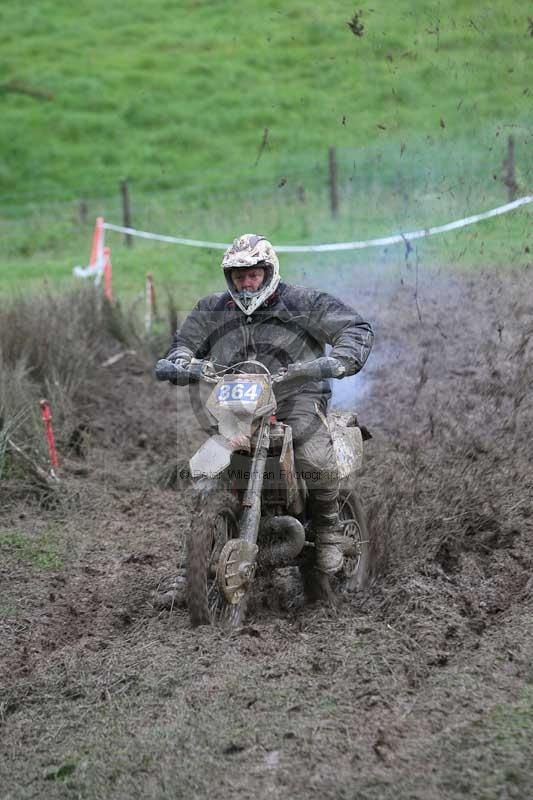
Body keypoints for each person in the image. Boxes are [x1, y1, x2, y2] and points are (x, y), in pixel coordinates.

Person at [163, 234, 374, 575]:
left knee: (312, 457)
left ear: (268, 271)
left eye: (253, 275)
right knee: (206, 472)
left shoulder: (303, 302)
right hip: (238, 406)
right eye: (239, 276)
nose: (246, 283)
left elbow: (355, 327)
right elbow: (183, 345)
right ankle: (190, 570)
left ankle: (329, 531)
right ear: (229, 278)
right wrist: (181, 361)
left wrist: (340, 359)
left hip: (298, 398)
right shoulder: (212, 309)